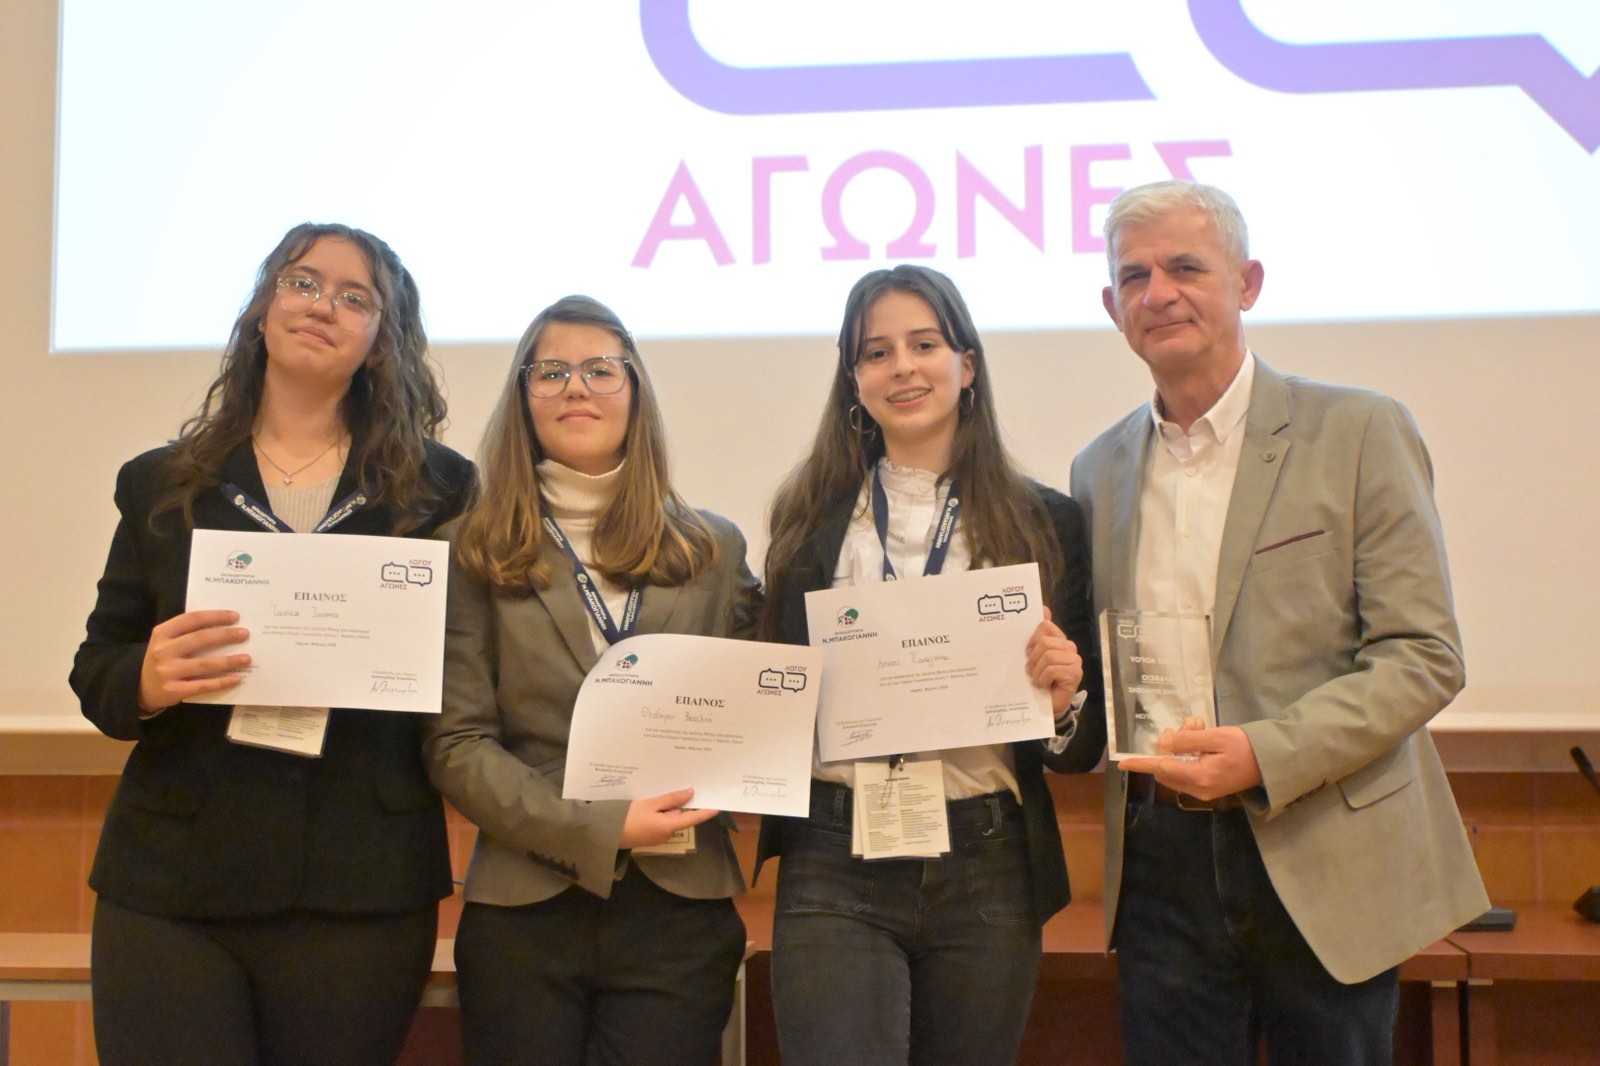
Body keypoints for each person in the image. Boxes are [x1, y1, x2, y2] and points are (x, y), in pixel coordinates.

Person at [1070, 180, 1489, 1065]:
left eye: (1187, 267)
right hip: (1161, 862)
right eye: (1135, 276)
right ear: (1112, 307)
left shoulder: (1360, 431)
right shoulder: (1096, 469)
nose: (1159, 293)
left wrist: (1264, 754)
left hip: (1324, 847)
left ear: (1248, 282)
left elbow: (1423, 655)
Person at [70, 223, 477, 1066]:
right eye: (301, 282)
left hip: (360, 884)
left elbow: (469, 669)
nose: (322, 305)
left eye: (354, 297)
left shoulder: (440, 488)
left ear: (380, 342)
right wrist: (145, 677)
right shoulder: (163, 481)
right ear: (262, 310)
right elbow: (98, 669)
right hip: (174, 880)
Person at [755, 264, 1104, 1065]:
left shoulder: (1046, 521)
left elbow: (1078, 747)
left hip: (988, 860)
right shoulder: (807, 518)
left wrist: (1063, 699)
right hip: (835, 851)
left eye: (924, 345)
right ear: (853, 379)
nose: (902, 368)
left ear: (966, 364)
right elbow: (778, 691)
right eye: (876, 353)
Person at [425, 295, 759, 1066]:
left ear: (635, 392)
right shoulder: (470, 549)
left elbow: (756, 705)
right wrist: (597, 829)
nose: (576, 387)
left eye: (601, 369)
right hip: (525, 905)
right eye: (551, 371)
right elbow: (457, 744)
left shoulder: (714, 548)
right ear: (523, 396)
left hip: (680, 906)